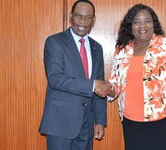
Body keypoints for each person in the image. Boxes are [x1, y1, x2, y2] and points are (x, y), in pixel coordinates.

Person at [108, 4, 166, 150]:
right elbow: (115, 86)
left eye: (147, 21)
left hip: (161, 123)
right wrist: (104, 89)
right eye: (136, 22)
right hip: (131, 124)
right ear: (130, 26)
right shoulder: (122, 51)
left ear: (153, 24)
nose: (142, 25)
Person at [39, 0, 110, 150]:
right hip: (60, 123)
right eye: (78, 16)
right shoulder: (55, 42)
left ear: (93, 20)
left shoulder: (97, 48)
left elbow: (99, 86)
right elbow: (55, 79)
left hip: (86, 124)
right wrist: (93, 85)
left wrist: (99, 121)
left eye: (87, 17)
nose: (82, 21)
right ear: (71, 16)